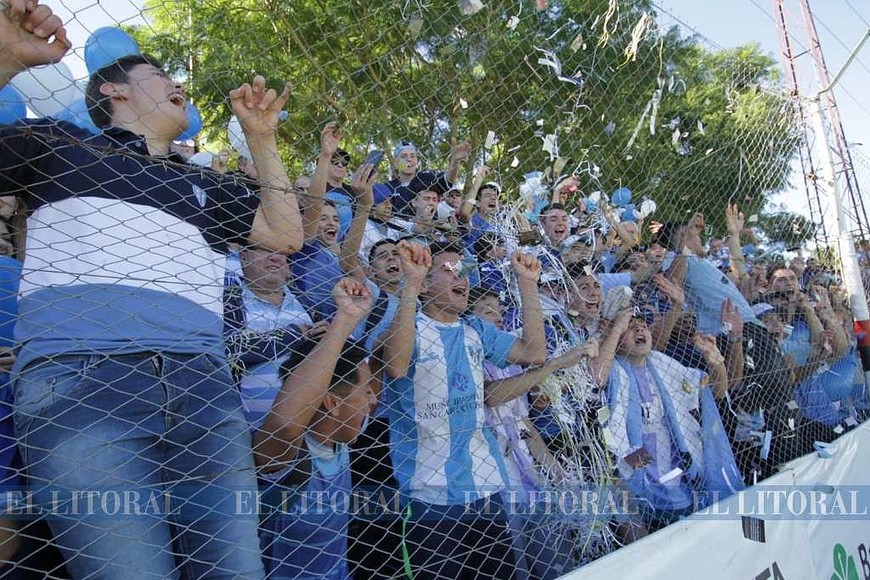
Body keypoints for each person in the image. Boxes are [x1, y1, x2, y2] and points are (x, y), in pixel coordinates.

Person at [0, 3, 303, 576]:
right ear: (113, 91)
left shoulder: (200, 183)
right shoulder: (58, 143)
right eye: (163, 75)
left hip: (205, 388)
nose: (178, 84)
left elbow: (287, 234)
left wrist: (263, 139)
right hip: (83, 383)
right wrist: (7, 59)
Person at [371, 240, 546, 580]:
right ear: (424, 283)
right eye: (447, 270)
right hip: (430, 493)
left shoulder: (475, 330)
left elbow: (535, 352)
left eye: (463, 270)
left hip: (486, 485)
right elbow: (395, 365)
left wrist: (528, 285)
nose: (460, 276)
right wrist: (411, 284)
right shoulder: (407, 327)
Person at [255, 278, 376, 579]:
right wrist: (343, 322)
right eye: (366, 392)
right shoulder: (289, 457)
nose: (374, 400)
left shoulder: (341, 442)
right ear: (332, 403)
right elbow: (284, 425)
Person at [602, 315, 744, 530]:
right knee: (646, 505)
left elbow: (716, 389)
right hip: (639, 460)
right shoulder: (613, 372)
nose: (640, 329)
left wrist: (716, 365)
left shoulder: (662, 363)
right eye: (630, 327)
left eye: (643, 326)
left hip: (675, 461)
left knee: (685, 515)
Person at [386, 140, 469, 217]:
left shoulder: (427, 177)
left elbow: (448, 179)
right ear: (395, 163)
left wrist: (455, 160)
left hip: (427, 230)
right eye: (404, 156)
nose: (409, 159)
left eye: (412, 156)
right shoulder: (388, 187)